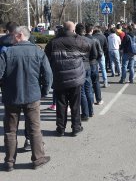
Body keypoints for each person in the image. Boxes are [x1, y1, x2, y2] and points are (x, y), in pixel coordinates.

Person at [0, 26, 53, 171]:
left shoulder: (7, 53)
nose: (11, 37)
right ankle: (38, 159)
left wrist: (4, 88)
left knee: (11, 130)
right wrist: (43, 91)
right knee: (34, 129)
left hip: (12, 97)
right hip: (32, 96)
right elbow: (48, 75)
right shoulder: (38, 51)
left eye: (13, 35)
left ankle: (10, 161)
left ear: (20, 35)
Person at [44, 21, 90, 137]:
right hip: (75, 78)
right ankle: (76, 127)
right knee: (75, 104)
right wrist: (76, 35)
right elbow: (87, 47)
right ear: (73, 30)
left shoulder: (53, 42)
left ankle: (60, 129)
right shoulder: (78, 40)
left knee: (61, 104)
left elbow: (47, 56)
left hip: (59, 78)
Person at [75, 23, 95, 121]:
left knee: (82, 91)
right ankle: (90, 111)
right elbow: (94, 55)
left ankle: (86, 113)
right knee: (88, 89)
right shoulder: (90, 41)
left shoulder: (74, 41)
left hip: (79, 67)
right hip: (87, 66)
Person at [85, 23, 103, 106]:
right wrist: (97, 60)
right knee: (95, 82)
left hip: (85, 63)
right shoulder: (95, 40)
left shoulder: (82, 39)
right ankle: (98, 99)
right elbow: (100, 53)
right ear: (92, 30)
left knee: (87, 83)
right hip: (93, 62)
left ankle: (90, 101)